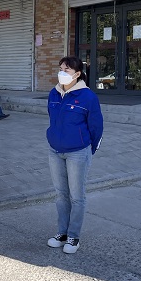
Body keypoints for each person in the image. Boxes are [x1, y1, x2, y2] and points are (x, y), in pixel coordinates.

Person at [46, 56, 103, 254]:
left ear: (77, 74)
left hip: (77, 153)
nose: (62, 72)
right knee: (61, 195)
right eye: (61, 68)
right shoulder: (54, 93)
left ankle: (73, 236)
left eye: (67, 70)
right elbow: (53, 120)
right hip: (55, 151)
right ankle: (62, 233)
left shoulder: (88, 97)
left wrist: (88, 150)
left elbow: (96, 127)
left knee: (77, 196)